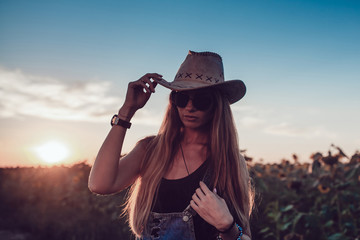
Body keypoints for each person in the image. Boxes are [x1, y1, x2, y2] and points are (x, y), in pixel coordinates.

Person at [88, 50, 253, 240]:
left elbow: (244, 236)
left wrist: (226, 225)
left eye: (201, 100)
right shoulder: (150, 150)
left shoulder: (230, 162)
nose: (189, 107)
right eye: (181, 98)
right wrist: (126, 112)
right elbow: (99, 184)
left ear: (216, 105)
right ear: (173, 102)